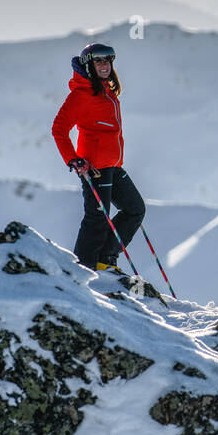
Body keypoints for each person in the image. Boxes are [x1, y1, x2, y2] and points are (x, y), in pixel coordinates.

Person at [51, 42, 145, 271]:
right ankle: (83, 270)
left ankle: (105, 259)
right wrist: (73, 159)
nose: (104, 64)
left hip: (113, 165)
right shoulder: (81, 95)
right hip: (93, 168)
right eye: (99, 60)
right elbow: (59, 128)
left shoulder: (106, 90)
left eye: (108, 60)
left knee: (135, 209)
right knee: (97, 219)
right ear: (89, 64)